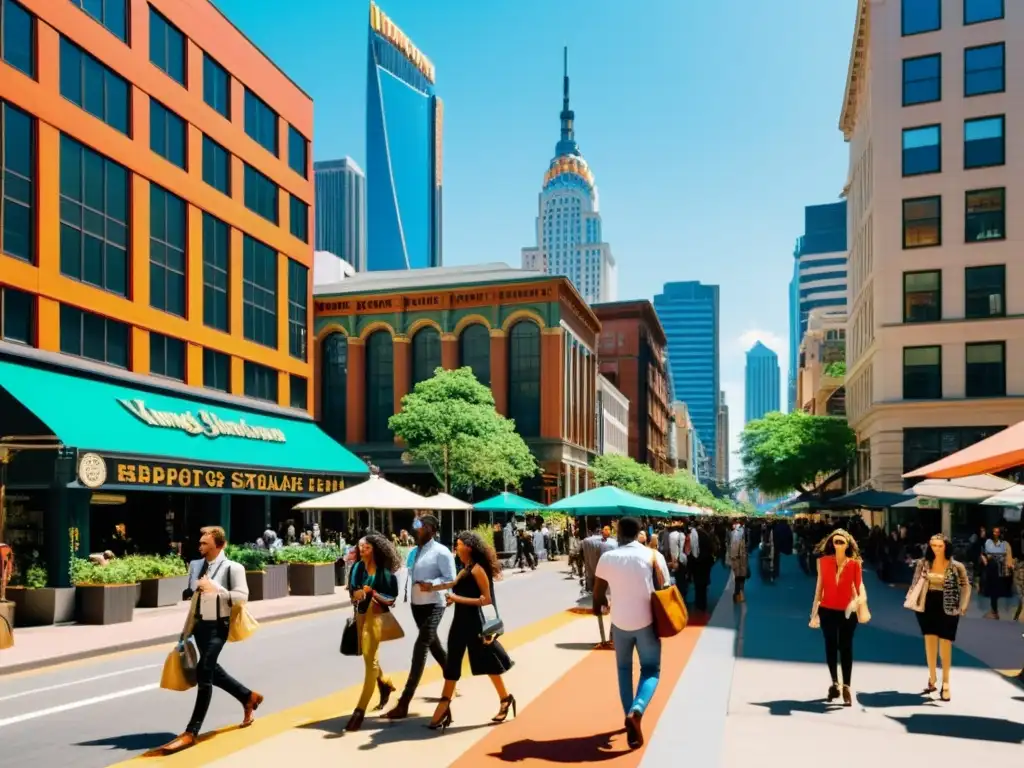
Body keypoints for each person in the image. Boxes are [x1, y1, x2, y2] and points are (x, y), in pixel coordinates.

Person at [161, 526, 262, 753]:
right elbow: (193, 598)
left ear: (220, 545)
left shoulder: (233, 568)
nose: (200, 547)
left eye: (205, 544)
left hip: (219, 627)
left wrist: (217, 589)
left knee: (204, 671)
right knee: (212, 669)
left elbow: (241, 598)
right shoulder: (196, 566)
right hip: (199, 627)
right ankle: (248, 697)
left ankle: (191, 732)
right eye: (200, 543)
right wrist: (186, 631)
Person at [592, 516, 670, 750]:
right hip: (646, 622)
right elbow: (664, 587)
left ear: (618, 533)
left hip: (620, 624)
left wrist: (599, 609)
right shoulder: (653, 556)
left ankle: (629, 718)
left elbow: (598, 594)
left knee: (624, 670)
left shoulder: (608, 557)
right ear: (639, 534)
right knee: (651, 669)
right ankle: (637, 711)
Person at [424, 532, 515, 732]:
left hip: (475, 625)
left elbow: (486, 599)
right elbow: (453, 586)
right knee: (452, 663)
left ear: (469, 547)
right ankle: (445, 703)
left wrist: (455, 599)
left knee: (489, 662)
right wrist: (431, 587)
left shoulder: (477, 570)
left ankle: (505, 698)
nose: (455, 548)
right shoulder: (466, 568)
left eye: (458, 544)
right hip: (459, 623)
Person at [387, 515, 456, 719]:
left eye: (424, 526)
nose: (419, 529)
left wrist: (431, 584)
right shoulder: (415, 552)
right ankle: (452, 676)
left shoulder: (441, 552)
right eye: (418, 526)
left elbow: (450, 579)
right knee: (434, 645)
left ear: (433, 530)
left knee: (421, 647)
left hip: (435, 604)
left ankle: (404, 702)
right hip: (417, 605)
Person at [344, 533, 401, 731]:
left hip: (377, 619)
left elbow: (392, 598)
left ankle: (359, 711)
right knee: (370, 658)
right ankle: (385, 683)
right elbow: (352, 594)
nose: (362, 550)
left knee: (371, 662)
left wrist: (373, 592)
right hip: (361, 617)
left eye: (366, 547)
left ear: (375, 549)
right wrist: (359, 593)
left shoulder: (384, 572)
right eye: (360, 547)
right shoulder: (357, 568)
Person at [905, 534, 970, 701]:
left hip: (949, 604)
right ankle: (932, 677)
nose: (936, 549)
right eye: (933, 545)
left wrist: (963, 605)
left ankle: (946, 683)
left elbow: (965, 585)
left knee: (945, 643)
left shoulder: (956, 566)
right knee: (930, 642)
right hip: (927, 604)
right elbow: (915, 583)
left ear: (946, 547)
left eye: (940, 546)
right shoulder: (923, 563)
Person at [808, 529, 863, 706]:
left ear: (848, 544)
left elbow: (860, 588)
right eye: (835, 541)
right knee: (830, 646)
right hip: (827, 609)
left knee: (846, 647)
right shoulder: (823, 562)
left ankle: (847, 685)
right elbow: (819, 588)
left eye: (841, 542)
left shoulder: (855, 564)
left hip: (847, 611)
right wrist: (814, 612)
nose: (837, 545)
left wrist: (857, 602)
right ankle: (834, 683)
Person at [981, 527, 1014, 619]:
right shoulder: (990, 542)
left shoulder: (1003, 544)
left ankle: (994, 611)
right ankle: (994, 610)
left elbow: (1007, 556)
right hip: (992, 569)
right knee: (993, 590)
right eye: (994, 532)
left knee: (995, 590)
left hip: (998, 569)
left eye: (997, 532)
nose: (996, 534)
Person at [729, 520, 749, 603]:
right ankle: (738, 595)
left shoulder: (734, 535)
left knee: (739, 578)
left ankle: (738, 595)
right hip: (740, 561)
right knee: (740, 578)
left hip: (739, 561)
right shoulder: (738, 536)